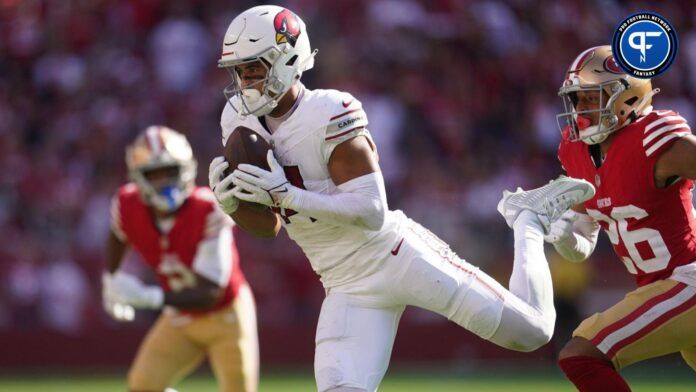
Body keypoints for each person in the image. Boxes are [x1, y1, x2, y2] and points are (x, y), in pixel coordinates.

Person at [208, 5, 595, 392]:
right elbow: (270, 226)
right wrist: (232, 204)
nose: (245, 81)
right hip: (343, 282)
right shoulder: (236, 119)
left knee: (532, 331)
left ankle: (527, 220)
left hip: (396, 255)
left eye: (254, 68)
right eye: (239, 71)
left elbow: (371, 212)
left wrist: (287, 195)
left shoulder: (328, 112)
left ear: (288, 59)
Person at [545, 45, 696, 392]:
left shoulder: (653, 139)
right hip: (663, 289)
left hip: (688, 282)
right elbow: (584, 236)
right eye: (577, 99)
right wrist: (564, 234)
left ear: (628, 99)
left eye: (591, 97)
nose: (582, 109)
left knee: (582, 354)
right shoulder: (576, 151)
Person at [102, 126, 259, 392]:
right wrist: (111, 279)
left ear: (185, 169)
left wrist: (149, 297)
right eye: (154, 174)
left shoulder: (208, 208)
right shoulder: (127, 203)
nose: (164, 181)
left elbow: (210, 291)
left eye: (170, 171)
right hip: (180, 316)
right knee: (142, 387)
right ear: (139, 177)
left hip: (226, 314)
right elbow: (118, 234)